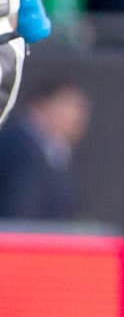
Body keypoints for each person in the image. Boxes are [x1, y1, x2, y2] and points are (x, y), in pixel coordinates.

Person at [0, 81, 90, 220]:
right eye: (68, 106)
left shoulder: (52, 152)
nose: (77, 117)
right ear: (41, 105)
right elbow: (20, 213)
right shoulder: (21, 149)